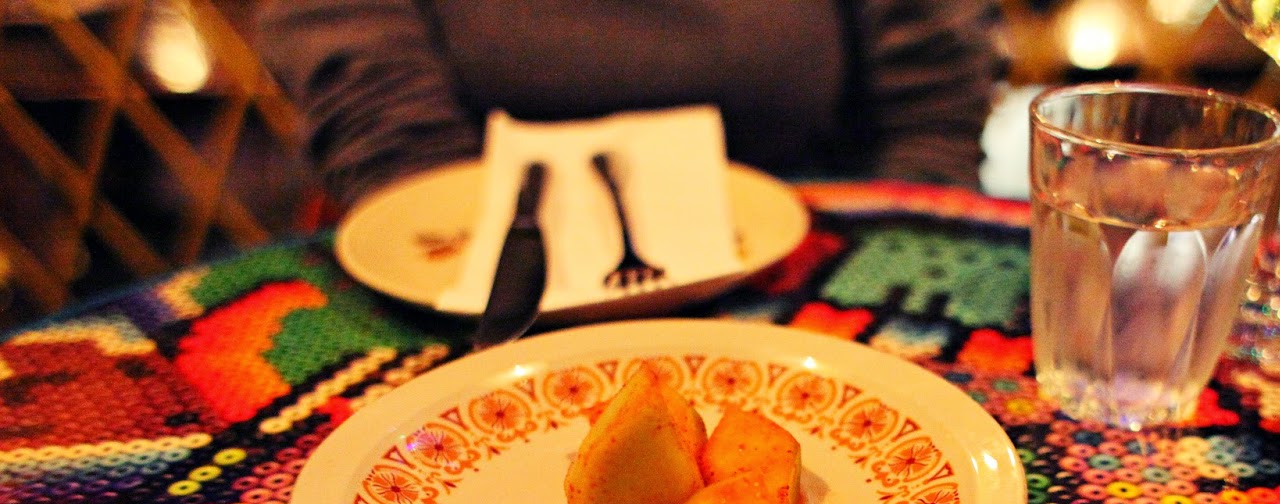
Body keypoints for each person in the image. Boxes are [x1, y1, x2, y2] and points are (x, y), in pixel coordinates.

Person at [256, 0, 1004, 212]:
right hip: (478, 230)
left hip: (821, 229)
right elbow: (357, 68)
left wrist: (895, 246)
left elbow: (931, 103)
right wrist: (463, 249)